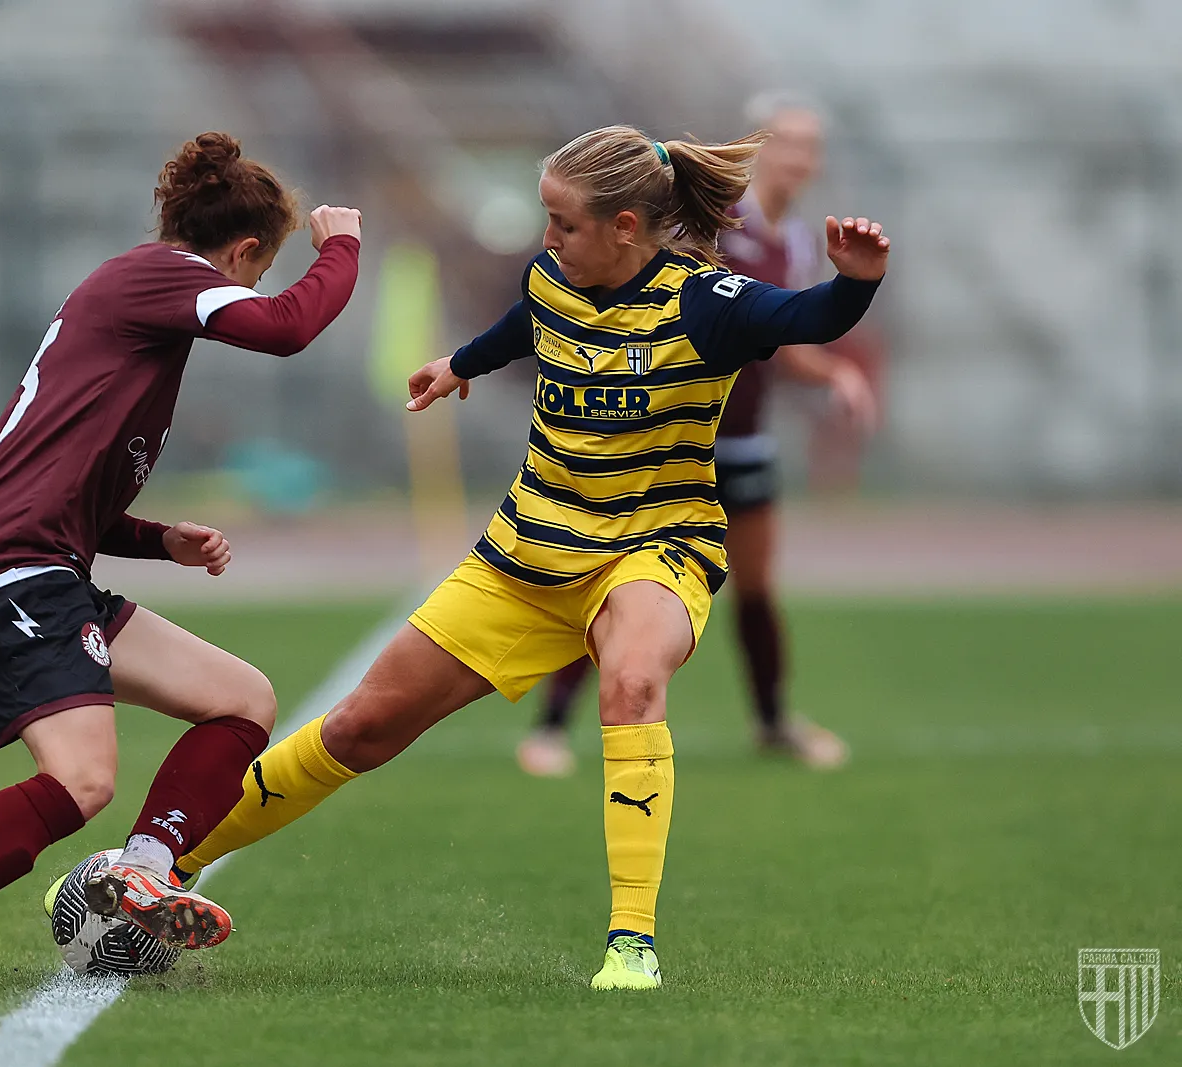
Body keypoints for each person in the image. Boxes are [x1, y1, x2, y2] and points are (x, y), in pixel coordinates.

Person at [132, 125, 889, 992]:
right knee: (360, 727)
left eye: (564, 223)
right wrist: (459, 364)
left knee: (632, 681)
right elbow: (522, 327)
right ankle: (165, 868)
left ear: (626, 227)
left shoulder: (706, 301)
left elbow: (808, 317)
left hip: (654, 547)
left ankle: (632, 943)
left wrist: (856, 280)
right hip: (525, 553)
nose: (547, 238)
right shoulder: (550, 280)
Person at [0, 133, 363, 995]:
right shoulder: (163, 275)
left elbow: (70, 496)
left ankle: (141, 870)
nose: (251, 288)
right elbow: (286, 328)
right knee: (82, 779)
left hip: (35, 564)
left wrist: (159, 540)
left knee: (241, 699)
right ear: (242, 252)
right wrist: (342, 248)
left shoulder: (136, 302)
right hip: (7, 568)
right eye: (257, 271)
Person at [516, 95, 877, 777]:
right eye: (787, 142)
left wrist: (836, 373)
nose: (800, 158)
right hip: (666, 440)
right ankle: (552, 727)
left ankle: (773, 721)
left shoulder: (798, 240)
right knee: (608, 583)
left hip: (744, 439)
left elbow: (783, 335)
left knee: (757, 588)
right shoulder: (712, 225)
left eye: (811, 147)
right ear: (759, 147)